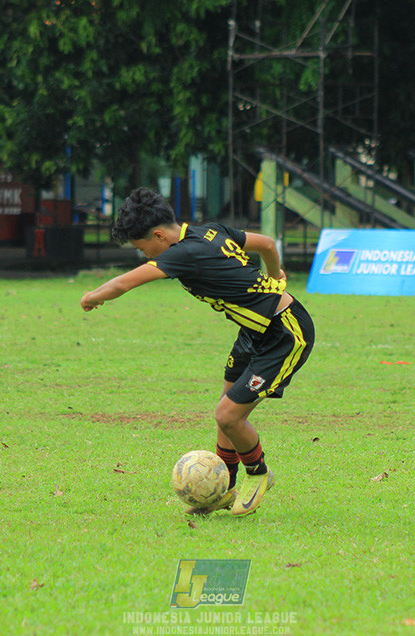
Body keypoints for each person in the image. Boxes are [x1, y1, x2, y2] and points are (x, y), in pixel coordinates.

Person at [80, 187, 314, 516]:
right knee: (226, 409)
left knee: (227, 416)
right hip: (254, 332)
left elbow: (124, 283)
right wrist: (276, 276)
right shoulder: (209, 231)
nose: (145, 256)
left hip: (285, 333)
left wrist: (92, 297)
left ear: (159, 235)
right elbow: (267, 244)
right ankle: (224, 486)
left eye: (142, 248)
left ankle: (259, 473)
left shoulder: (182, 253)